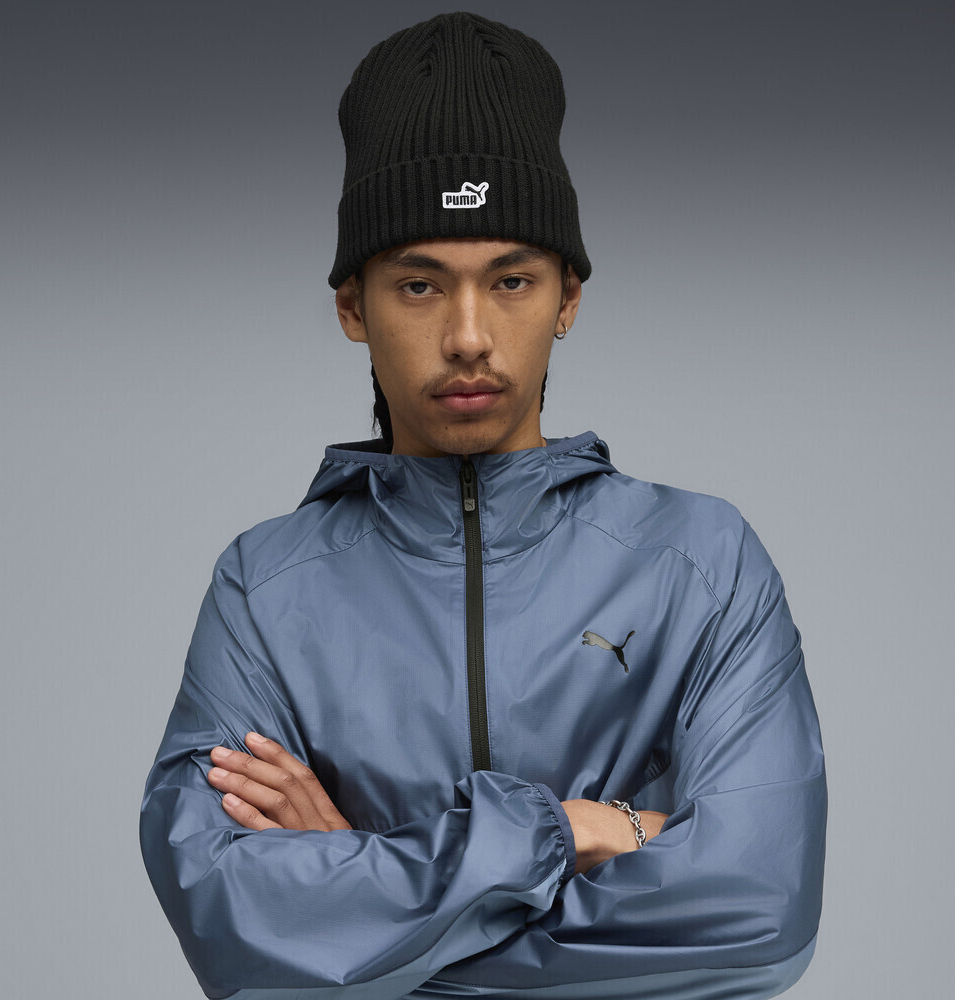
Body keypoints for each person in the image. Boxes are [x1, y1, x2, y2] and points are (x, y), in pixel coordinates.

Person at [140, 12, 827, 1000]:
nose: (469, 336)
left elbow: (758, 916)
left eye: (511, 280)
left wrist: (359, 900)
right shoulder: (264, 588)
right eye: (420, 285)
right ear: (353, 305)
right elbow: (236, 935)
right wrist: (577, 832)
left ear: (567, 298)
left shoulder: (702, 562)